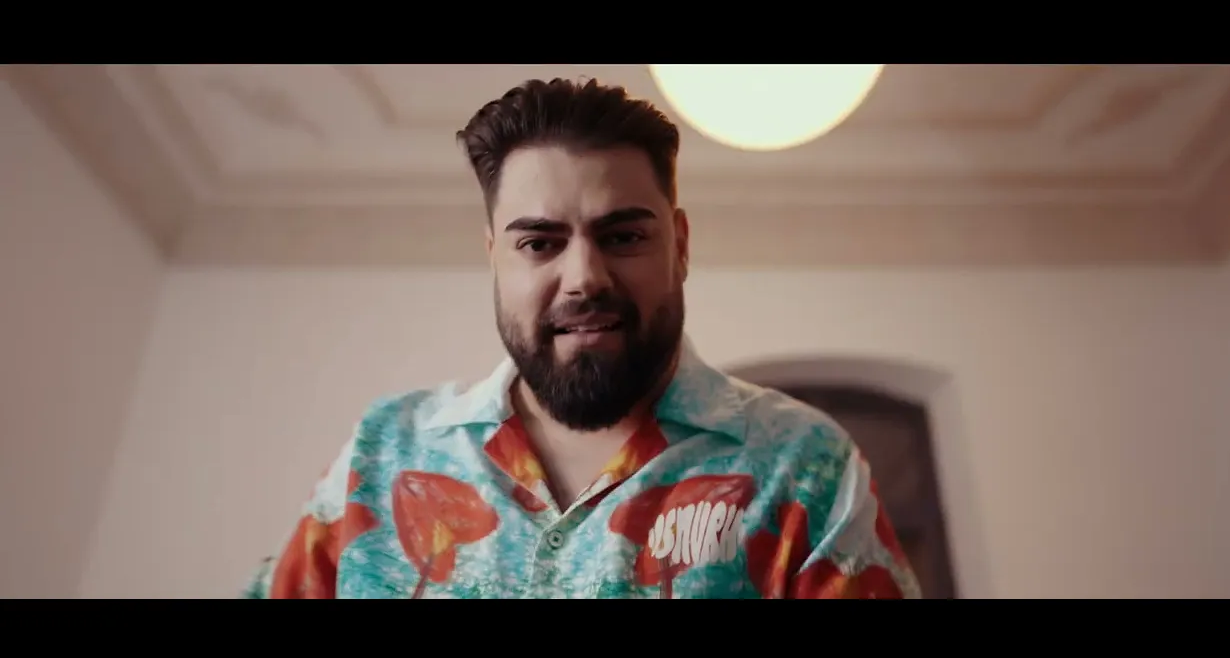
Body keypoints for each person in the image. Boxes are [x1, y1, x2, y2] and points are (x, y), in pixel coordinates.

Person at [241, 77, 921, 600]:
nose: (585, 278)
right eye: (540, 243)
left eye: (622, 236)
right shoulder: (384, 449)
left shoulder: (806, 465)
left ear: (680, 245)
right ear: (495, 259)